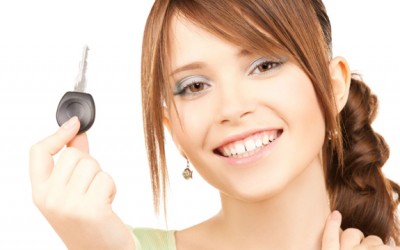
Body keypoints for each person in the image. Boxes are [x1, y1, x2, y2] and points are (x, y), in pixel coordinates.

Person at [29, 0, 400, 249]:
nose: (232, 108)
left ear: (333, 85)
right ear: (173, 128)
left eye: (265, 65)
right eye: (194, 86)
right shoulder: (113, 243)